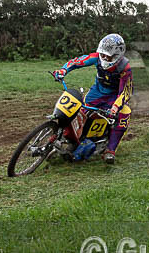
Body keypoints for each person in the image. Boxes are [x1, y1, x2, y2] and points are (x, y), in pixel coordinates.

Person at [53, 34, 133, 163]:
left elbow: (126, 92)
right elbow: (77, 62)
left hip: (114, 96)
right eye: (102, 54)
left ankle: (110, 150)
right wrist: (63, 70)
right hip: (97, 91)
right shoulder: (96, 57)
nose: (104, 58)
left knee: (125, 114)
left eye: (108, 56)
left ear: (117, 55)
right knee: (81, 112)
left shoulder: (125, 68)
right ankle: (72, 140)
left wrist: (115, 107)